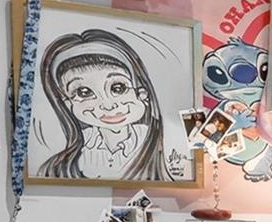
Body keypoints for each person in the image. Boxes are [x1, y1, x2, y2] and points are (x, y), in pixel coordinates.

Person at [38, 28, 175, 181]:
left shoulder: (167, 149)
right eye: (84, 92)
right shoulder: (59, 167)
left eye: (118, 88)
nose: (107, 105)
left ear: (142, 93)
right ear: (67, 104)